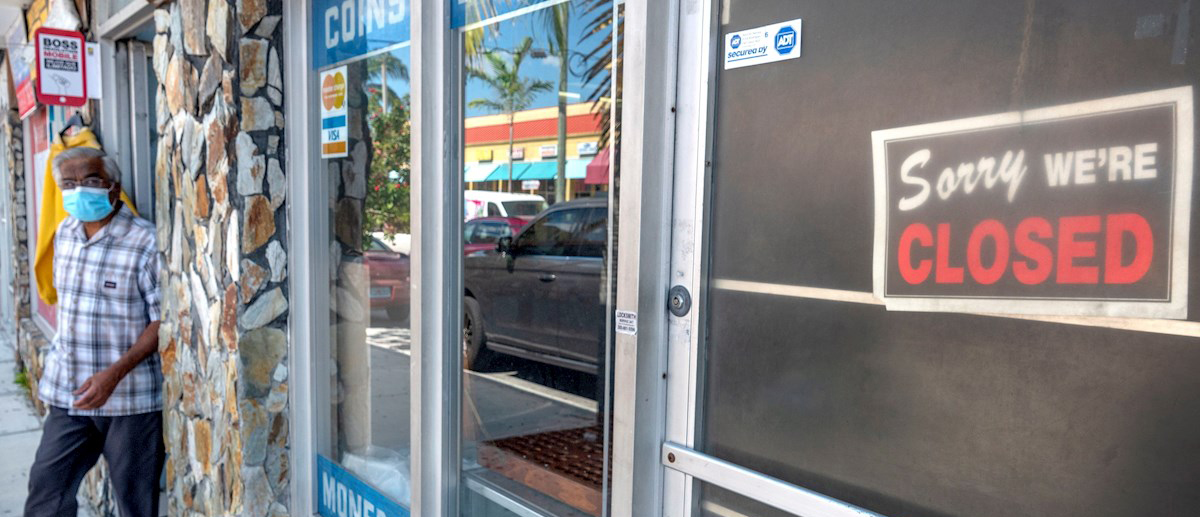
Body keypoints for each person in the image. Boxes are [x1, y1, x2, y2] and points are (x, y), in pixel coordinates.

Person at [24, 147, 163, 517]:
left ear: (113, 187)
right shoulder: (65, 233)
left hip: (131, 401)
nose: (78, 190)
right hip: (70, 395)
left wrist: (113, 374)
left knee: (135, 505)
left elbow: (162, 322)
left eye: (90, 181)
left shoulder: (145, 242)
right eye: (69, 184)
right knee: (45, 493)